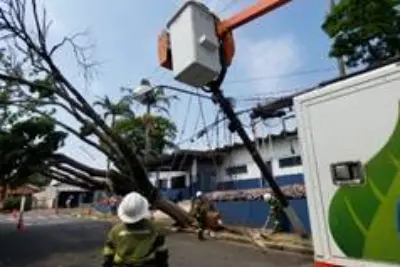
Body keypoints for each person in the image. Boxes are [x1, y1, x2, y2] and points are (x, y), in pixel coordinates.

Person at [102, 192, 169, 267]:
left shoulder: (115, 231)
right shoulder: (155, 229)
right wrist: (163, 264)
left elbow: (109, 249)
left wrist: (107, 262)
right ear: (144, 210)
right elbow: (161, 250)